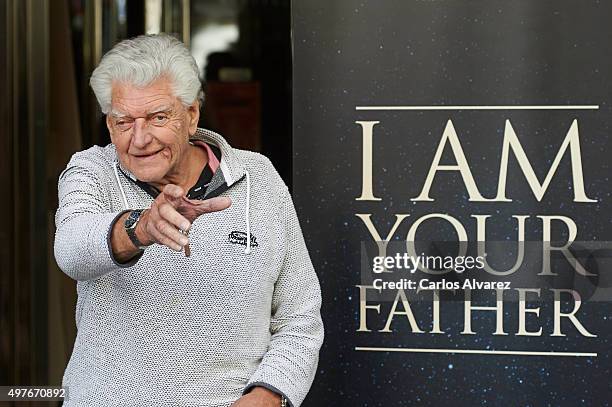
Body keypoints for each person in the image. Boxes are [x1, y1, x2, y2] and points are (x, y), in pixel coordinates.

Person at [54, 33, 323, 407]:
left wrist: (269, 394)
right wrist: (140, 228)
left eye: (158, 117)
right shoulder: (92, 171)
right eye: (123, 121)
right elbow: (71, 249)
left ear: (192, 115)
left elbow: (300, 317)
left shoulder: (259, 177)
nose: (139, 138)